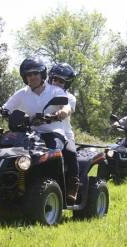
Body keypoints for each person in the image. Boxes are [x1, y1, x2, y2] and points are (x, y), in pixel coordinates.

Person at [0, 57, 79, 201]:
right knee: (6, 145)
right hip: (30, 132)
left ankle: (69, 185)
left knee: (62, 152)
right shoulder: (22, 93)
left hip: (54, 132)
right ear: (24, 77)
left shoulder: (55, 91)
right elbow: (7, 107)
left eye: (35, 73)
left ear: (42, 75)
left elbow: (67, 105)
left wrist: (63, 112)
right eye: (28, 74)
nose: (32, 77)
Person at [47, 62, 79, 201]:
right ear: (50, 78)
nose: (57, 83)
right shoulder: (42, 94)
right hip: (41, 133)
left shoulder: (70, 97)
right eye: (55, 79)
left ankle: (73, 186)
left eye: (61, 81)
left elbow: (68, 108)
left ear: (67, 83)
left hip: (64, 135)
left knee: (71, 153)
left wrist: (62, 112)